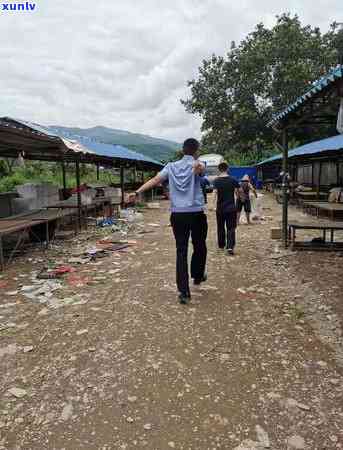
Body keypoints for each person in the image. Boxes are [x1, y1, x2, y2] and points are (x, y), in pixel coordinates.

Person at [131, 138, 207, 305]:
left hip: (178, 214)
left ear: (182, 149)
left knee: (181, 250)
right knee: (199, 245)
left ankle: (184, 292)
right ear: (196, 150)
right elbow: (200, 169)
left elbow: (155, 180)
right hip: (196, 213)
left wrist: (137, 192)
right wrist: (197, 166)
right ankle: (197, 275)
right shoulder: (198, 163)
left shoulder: (170, 167)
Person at [213, 162, 240, 255]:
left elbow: (215, 193)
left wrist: (213, 206)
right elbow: (238, 193)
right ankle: (230, 246)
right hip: (231, 208)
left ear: (219, 169)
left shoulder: (216, 181)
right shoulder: (233, 180)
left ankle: (221, 245)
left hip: (220, 208)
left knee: (220, 227)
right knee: (231, 227)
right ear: (227, 169)